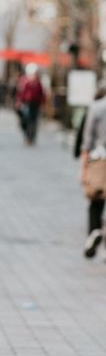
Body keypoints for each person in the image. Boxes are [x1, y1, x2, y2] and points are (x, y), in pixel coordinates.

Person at [78, 84, 106, 258]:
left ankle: (94, 231)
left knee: (95, 200)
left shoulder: (96, 108)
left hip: (99, 160)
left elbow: (87, 141)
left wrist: (83, 169)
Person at [15, 62, 45, 144]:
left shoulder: (38, 83)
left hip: (35, 104)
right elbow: (19, 92)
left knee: (33, 121)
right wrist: (18, 101)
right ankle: (27, 134)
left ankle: (31, 137)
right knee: (25, 120)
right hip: (25, 103)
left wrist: (42, 104)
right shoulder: (23, 81)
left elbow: (41, 94)